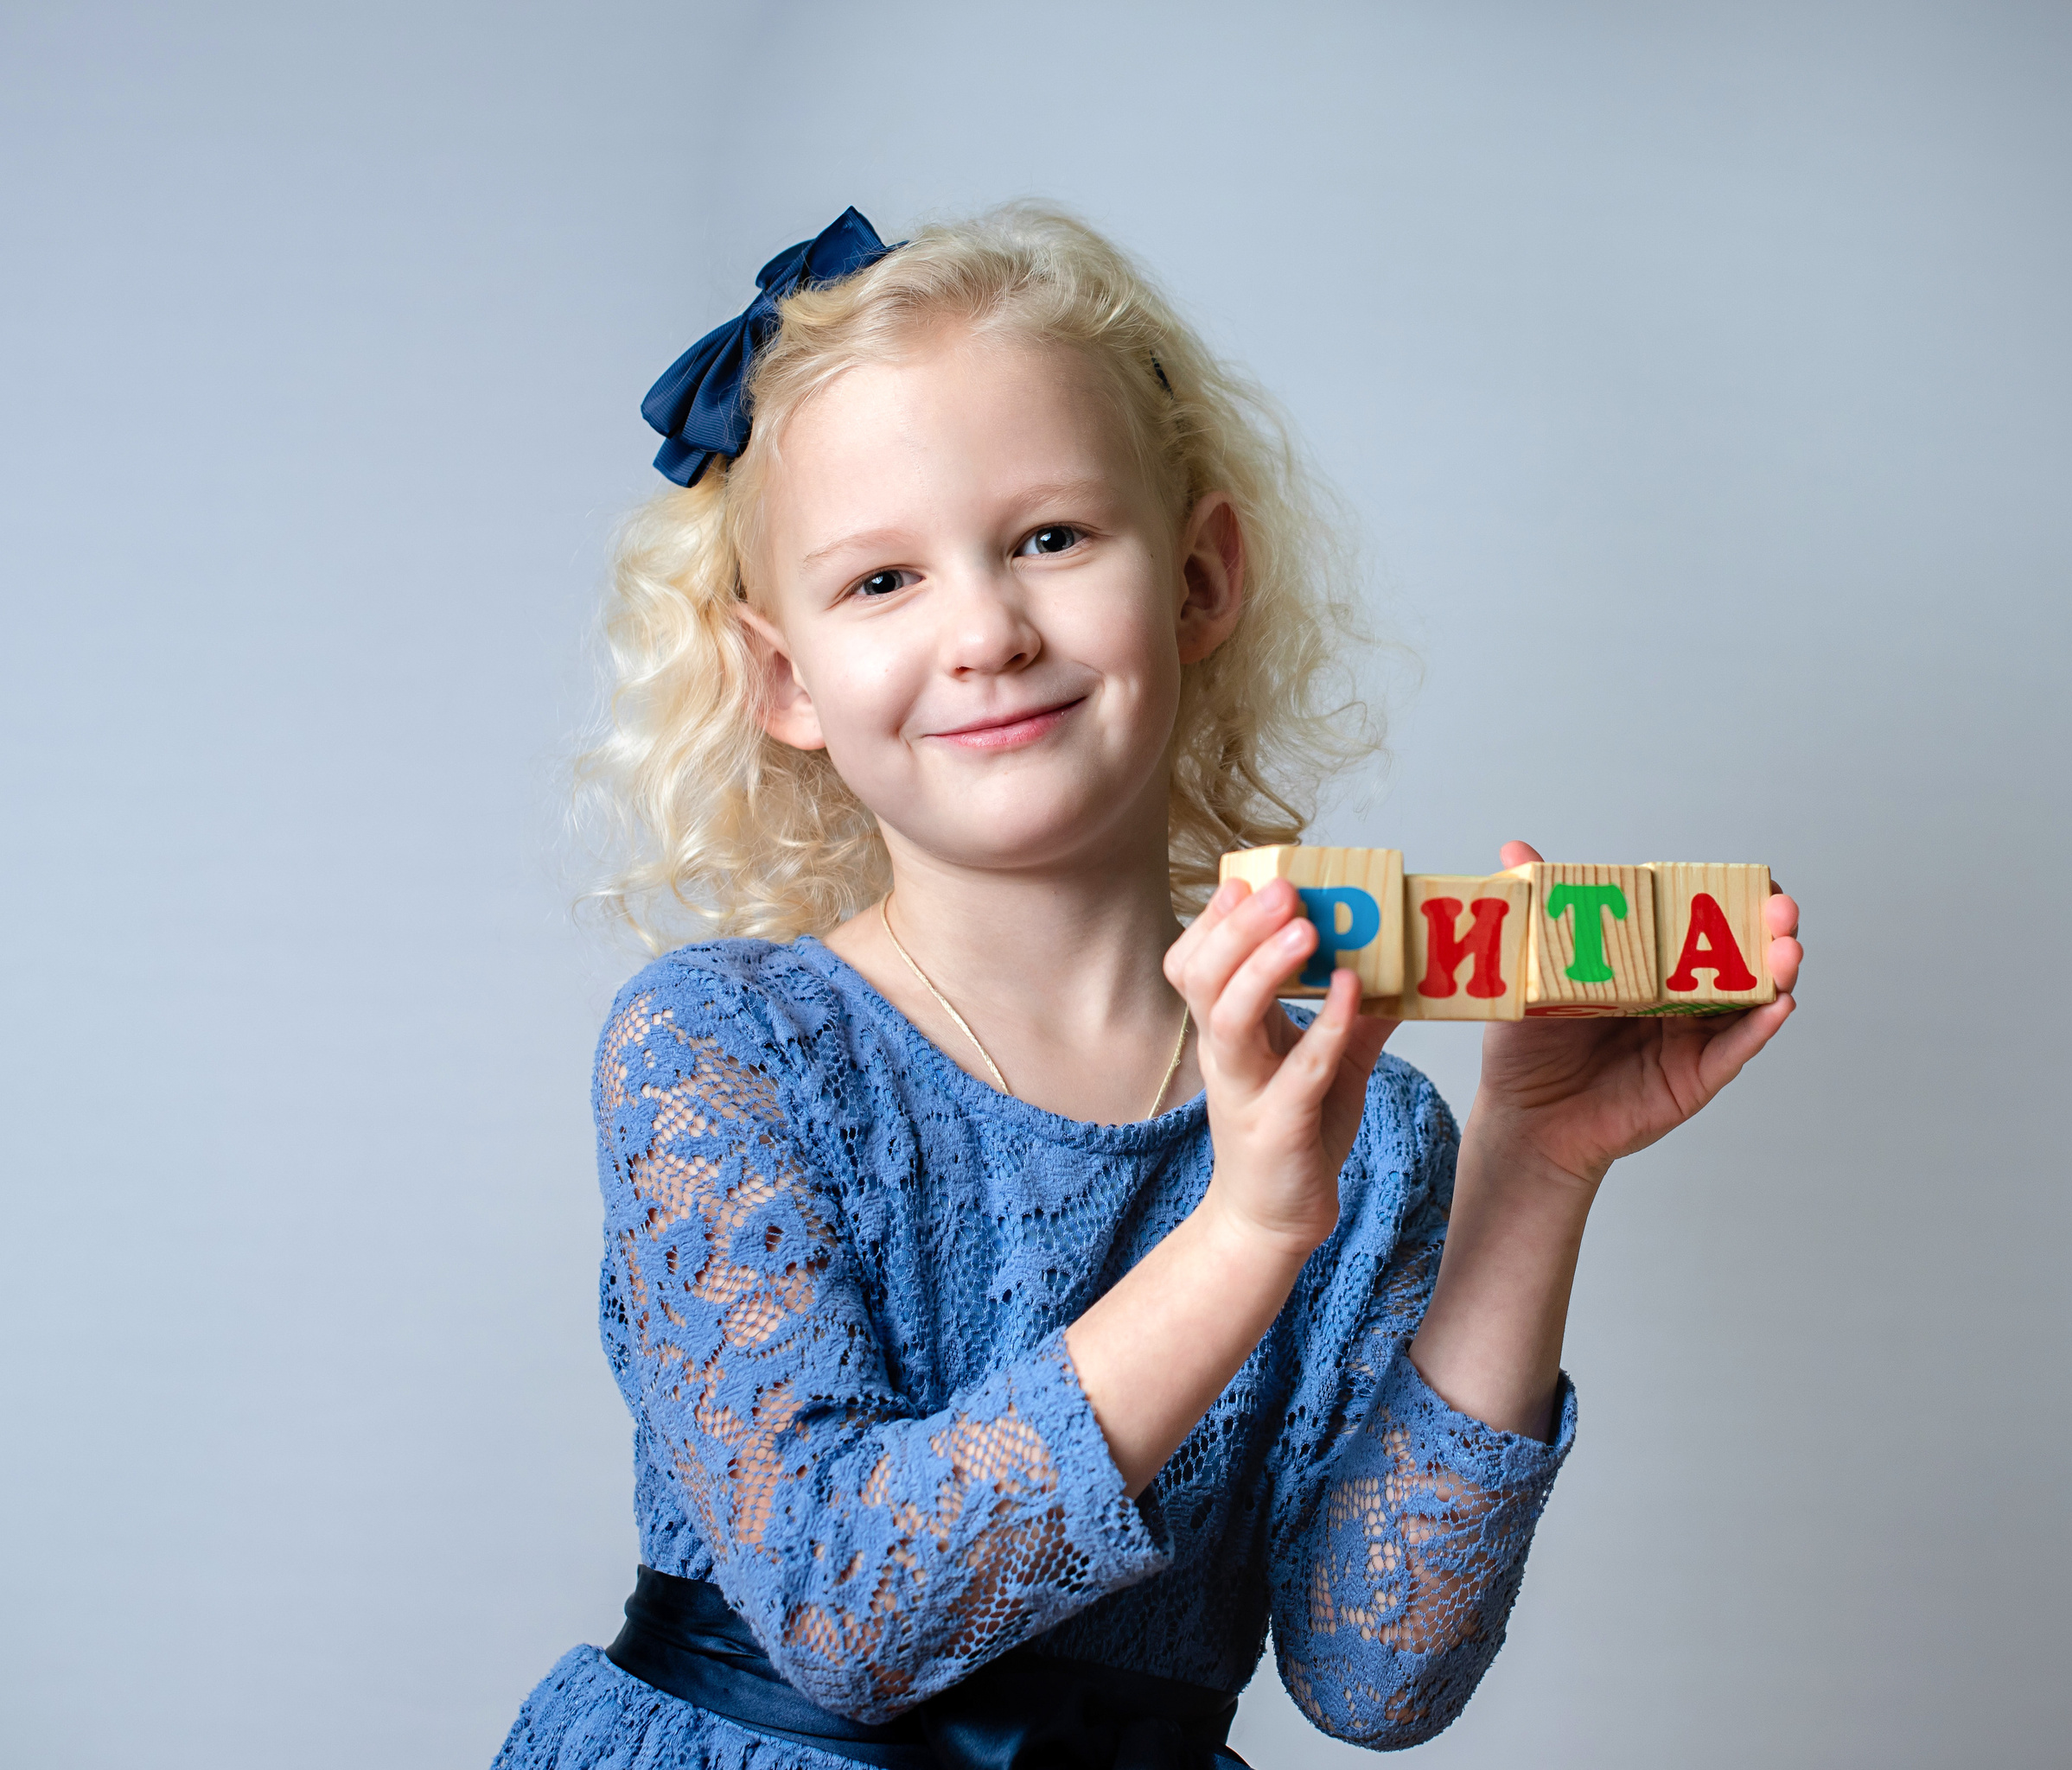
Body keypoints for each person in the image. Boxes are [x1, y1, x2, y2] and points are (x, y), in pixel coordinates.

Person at [494, 205, 1802, 1770]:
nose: (984, 629)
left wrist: (1536, 1169)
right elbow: (846, 1610)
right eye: (882, 582)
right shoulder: (724, 1053)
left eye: (1051, 538)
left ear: (1199, 579)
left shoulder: (1361, 1124)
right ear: (784, 681)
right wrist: (1248, 1230)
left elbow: (1376, 1677)